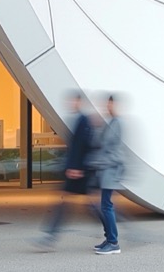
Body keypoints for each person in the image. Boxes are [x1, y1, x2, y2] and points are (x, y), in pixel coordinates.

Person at [34, 91, 94, 250]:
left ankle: (115, 231)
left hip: (79, 172)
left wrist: (77, 168)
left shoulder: (84, 121)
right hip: (75, 171)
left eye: (73, 101)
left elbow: (82, 147)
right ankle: (50, 236)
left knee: (94, 207)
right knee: (66, 204)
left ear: (79, 102)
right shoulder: (78, 120)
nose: (70, 104)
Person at [89, 94, 125, 255]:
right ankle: (109, 238)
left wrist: (102, 163)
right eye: (107, 104)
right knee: (105, 206)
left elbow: (116, 153)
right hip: (106, 172)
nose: (107, 107)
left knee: (107, 206)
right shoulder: (111, 123)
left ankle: (113, 242)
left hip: (111, 172)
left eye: (110, 105)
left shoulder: (118, 124)